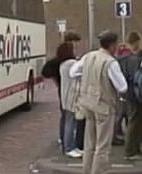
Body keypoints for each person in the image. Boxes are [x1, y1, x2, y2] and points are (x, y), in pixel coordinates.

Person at [70, 31, 128, 174]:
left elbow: (73, 72)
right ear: (112, 45)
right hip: (103, 105)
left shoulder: (88, 56)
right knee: (102, 146)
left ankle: (87, 170)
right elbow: (122, 86)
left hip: (87, 104)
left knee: (89, 142)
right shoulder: (110, 62)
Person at [42, 31, 82, 151]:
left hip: (65, 89)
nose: (77, 46)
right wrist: (57, 80)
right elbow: (46, 71)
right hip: (66, 89)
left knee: (66, 115)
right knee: (67, 115)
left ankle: (64, 138)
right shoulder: (63, 59)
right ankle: (66, 140)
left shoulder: (67, 57)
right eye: (75, 43)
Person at [117, 32, 142, 160]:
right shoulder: (135, 59)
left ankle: (134, 149)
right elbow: (137, 78)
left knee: (134, 121)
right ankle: (131, 151)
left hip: (127, 94)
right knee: (134, 121)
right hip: (135, 95)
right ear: (137, 41)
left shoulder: (122, 58)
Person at [58, 42, 83, 158]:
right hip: (72, 96)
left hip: (65, 96)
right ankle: (69, 147)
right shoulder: (71, 64)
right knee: (70, 122)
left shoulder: (62, 64)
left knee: (69, 121)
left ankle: (70, 145)